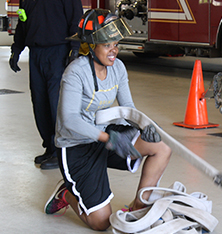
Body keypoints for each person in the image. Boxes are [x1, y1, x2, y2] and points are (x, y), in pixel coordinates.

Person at [43, 9, 171, 231]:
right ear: (91, 46)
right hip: (76, 145)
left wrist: (146, 125)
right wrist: (107, 138)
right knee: (101, 223)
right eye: (107, 45)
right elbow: (69, 120)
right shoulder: (75, 72)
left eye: (116, 44)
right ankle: (66, 193)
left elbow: (128, 109)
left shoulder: (118, 67)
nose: (114, 50)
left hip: (105, 135)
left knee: (161, 147)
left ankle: (138, 209)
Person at [9, 0, 83, 169]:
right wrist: (16, 49)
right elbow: (23, 21)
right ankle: (50, 147)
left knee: (56, 103)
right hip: (36, 54)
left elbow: (76, 19)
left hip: (59, 53)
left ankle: (62, 151)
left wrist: (75, 49)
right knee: (40, 102)